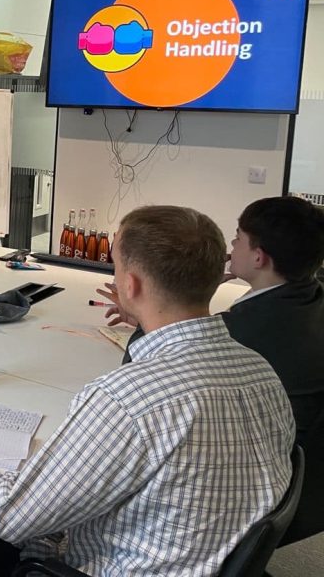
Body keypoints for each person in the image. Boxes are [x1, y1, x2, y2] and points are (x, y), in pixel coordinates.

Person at [0, 206, 295, 576]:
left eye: (115, 268)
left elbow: (8, 513)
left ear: (130, 285)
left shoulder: (128, 400)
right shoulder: (261, 372)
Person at [106, 196, 324, 544]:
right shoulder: (309, 303)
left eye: (238, 238)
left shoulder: (243, 330)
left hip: (241, 488)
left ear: (258, 257)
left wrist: (151, 312)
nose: (231, 246)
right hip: (304, 480)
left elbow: (144, 370)